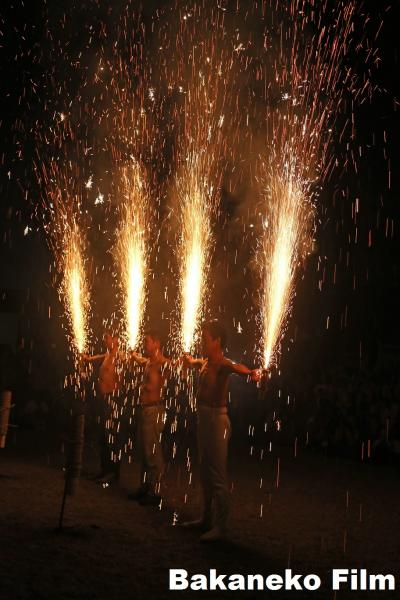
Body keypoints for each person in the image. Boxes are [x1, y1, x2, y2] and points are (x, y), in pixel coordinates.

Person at [182, 321, 260, 542]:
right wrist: (187, 360)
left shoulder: (223, 364)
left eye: (206, 338)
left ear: (217, 341)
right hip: (204, 418)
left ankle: (221, 526)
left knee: (216, 474)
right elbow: (193, 362)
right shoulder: (206, 362)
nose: (202, 342)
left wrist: (252, 373)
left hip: (217, 420)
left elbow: (238, 368)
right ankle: (206, 519)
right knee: (204, 471)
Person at [128, 330, 172, 506]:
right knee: (145, 452)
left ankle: (156, 492)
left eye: (147, 342)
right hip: (145, 411)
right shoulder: (148, 362)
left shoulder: (163, 363)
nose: (144, 345)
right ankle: (146, 486)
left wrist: (184, 363)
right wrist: (132, 355)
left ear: (157, 343)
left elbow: (175, 366)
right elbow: (139, 359)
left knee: (153, 453)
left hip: (155, 412)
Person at [81, 332, 123, 484]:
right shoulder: (107, 355)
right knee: (102, 437)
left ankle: (113, 472)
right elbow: (96, 358)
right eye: (104, 337)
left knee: (111, 437)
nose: (104, 339)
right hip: (103, 401)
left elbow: (125, 367)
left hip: (112, 401)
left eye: (107, 337)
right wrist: (87, 358)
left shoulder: (119, 356)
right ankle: (104, 469)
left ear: (116, 339)